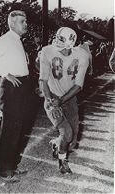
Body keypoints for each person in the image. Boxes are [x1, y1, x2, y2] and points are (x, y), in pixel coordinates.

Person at [0, 10, 30, 181]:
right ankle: (3, 171)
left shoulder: (16, 40)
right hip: (11, 86)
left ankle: (11, 167)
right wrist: (6, 74)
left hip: (20, 86)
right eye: (22, 21)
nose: (26, 24)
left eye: (26, 21)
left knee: (17, 129)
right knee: (10, 129)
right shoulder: (7, 39)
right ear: (12, 23)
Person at [39, 27, 89, 174]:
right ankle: (62, 162)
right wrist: (50, 101)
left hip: (69, 98)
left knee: (72, 142)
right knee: (66, 133)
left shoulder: (82, 55)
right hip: (52, 96)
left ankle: (56, 143)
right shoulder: (47, 51)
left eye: (61, 39)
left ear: (70, 42)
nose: (57, 41)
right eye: (57, 37)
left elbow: (78, 85)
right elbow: (43, 80)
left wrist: (62, 100)